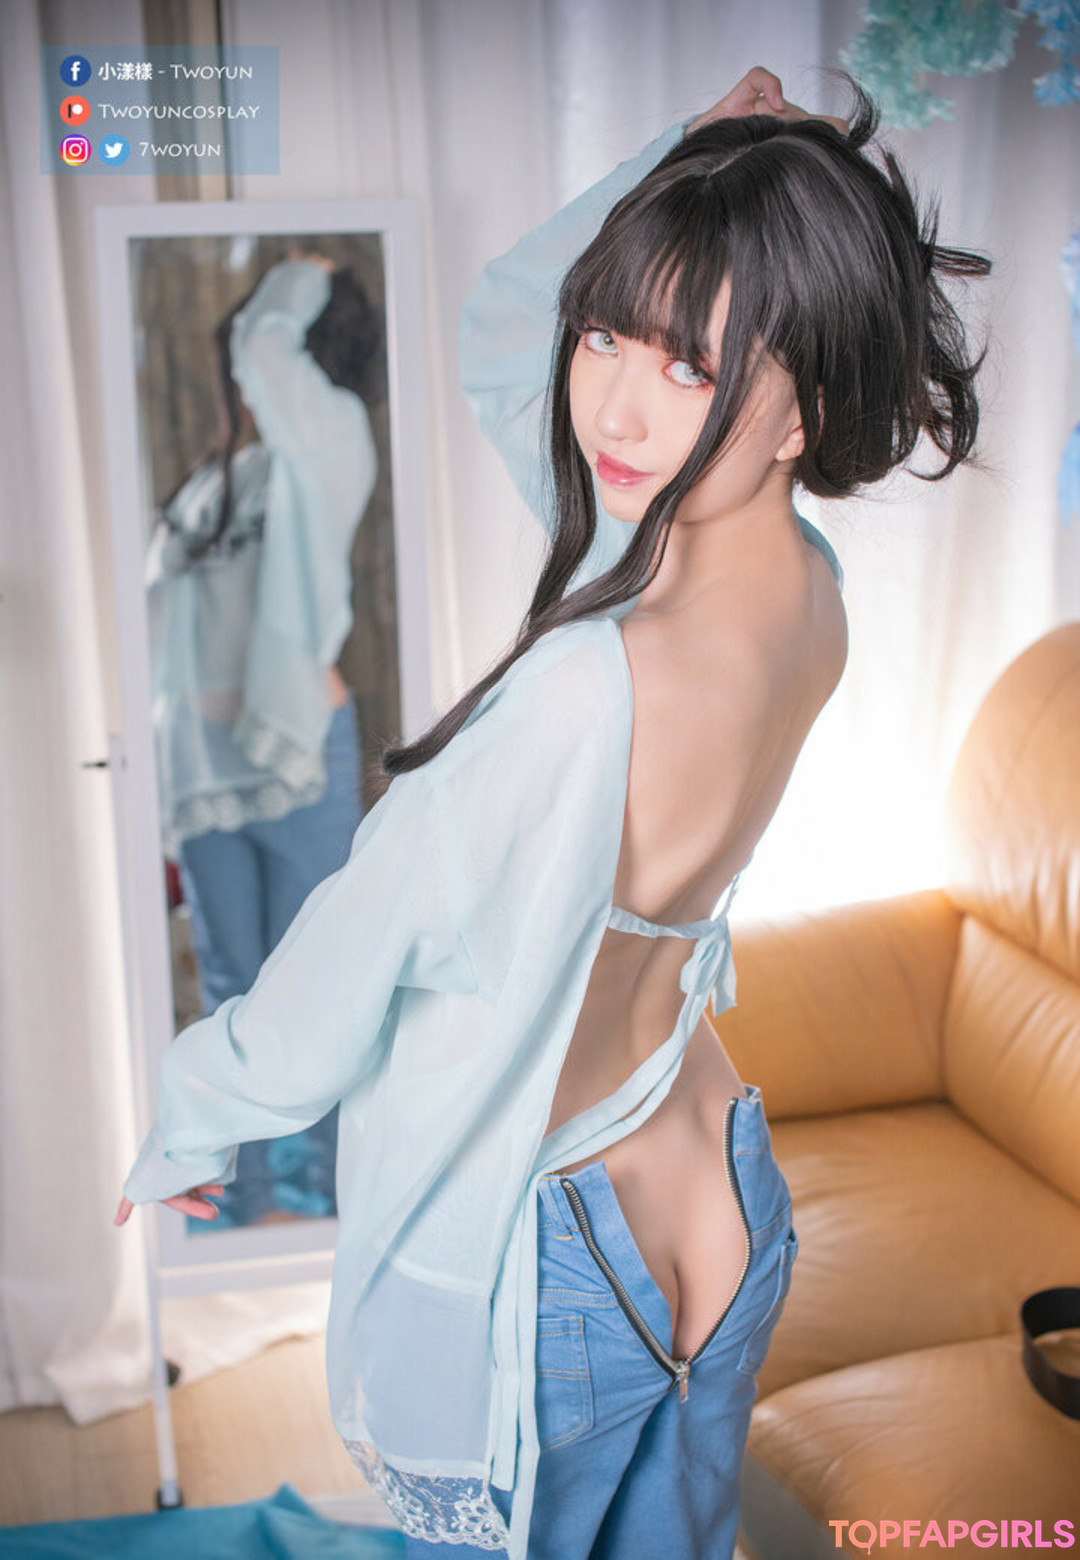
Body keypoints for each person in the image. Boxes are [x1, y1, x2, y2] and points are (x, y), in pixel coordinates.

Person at [116, 66, 990, 1560]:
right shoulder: (808, 597)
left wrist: (195, 1115)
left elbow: (349, 953)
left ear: (804, 410)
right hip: (721, 1192)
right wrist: (693, 163)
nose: (612, 406)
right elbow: (506, 337)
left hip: (566, 1248)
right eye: (604, 335)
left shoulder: (591, 684)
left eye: (689, 367)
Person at [146, 253, 383, 1225]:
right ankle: (239, 1214)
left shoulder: (330, 438)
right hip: (202, 772)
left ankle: (326, 1208)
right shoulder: (214, 483)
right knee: (229, 999)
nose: (244, 375)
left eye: (261, 350)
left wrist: (296, 279)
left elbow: (262, 349)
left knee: (311, 1002)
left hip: (297, 759)